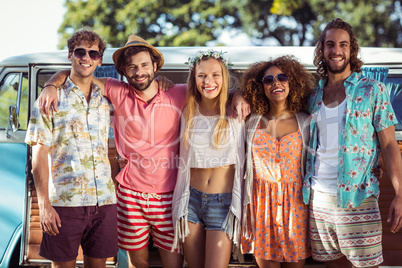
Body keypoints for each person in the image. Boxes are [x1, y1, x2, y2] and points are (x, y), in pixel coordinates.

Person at [37, 35, 249, 268]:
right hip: (130, 194)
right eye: (132, 67)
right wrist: (51, 83)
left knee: (173, 263)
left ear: (155, 66)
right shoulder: (117, 90)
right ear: (125, 71)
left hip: (170, 195)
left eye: (145, 65)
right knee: (138, 263)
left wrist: (237, 95)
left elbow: (213, 90)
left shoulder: (178, 93)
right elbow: (80, 75)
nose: (139, 72)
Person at [302, 18, 402, 268]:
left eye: (343, 45)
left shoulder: (372, 90)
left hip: (358, 197)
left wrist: (400, 193)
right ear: (322, 50)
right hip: (318, 198)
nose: (336, 50)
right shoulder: (313, 95)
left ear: (351, 50)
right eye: (330, 44)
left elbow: (389, 144)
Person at [25, 28, 118, 268]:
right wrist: (45, 205)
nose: (86, 58)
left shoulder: (106, 97)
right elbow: (39, 154)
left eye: (93, 53)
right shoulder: (49, 99)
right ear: (70, 55)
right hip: (66, 203)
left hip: (104, 201)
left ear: (99, 60)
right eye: (80, 52)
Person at [171, 50, 245, 267]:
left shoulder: (237, 110)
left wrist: (239, 92)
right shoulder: (187, 109)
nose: (208, 81)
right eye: (202, 75)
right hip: (190, 200)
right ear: (194, 79)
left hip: (223, 202)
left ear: (224, 77)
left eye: (215, 75)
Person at [240, 55, 314, 268]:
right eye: (268, 80)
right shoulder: (250, 122)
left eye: (282, 77)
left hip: (297, 207)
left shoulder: (306, 122)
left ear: (293, 82)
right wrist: (236, 95)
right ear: (260, 87)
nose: (276, 83)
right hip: (262, 207)